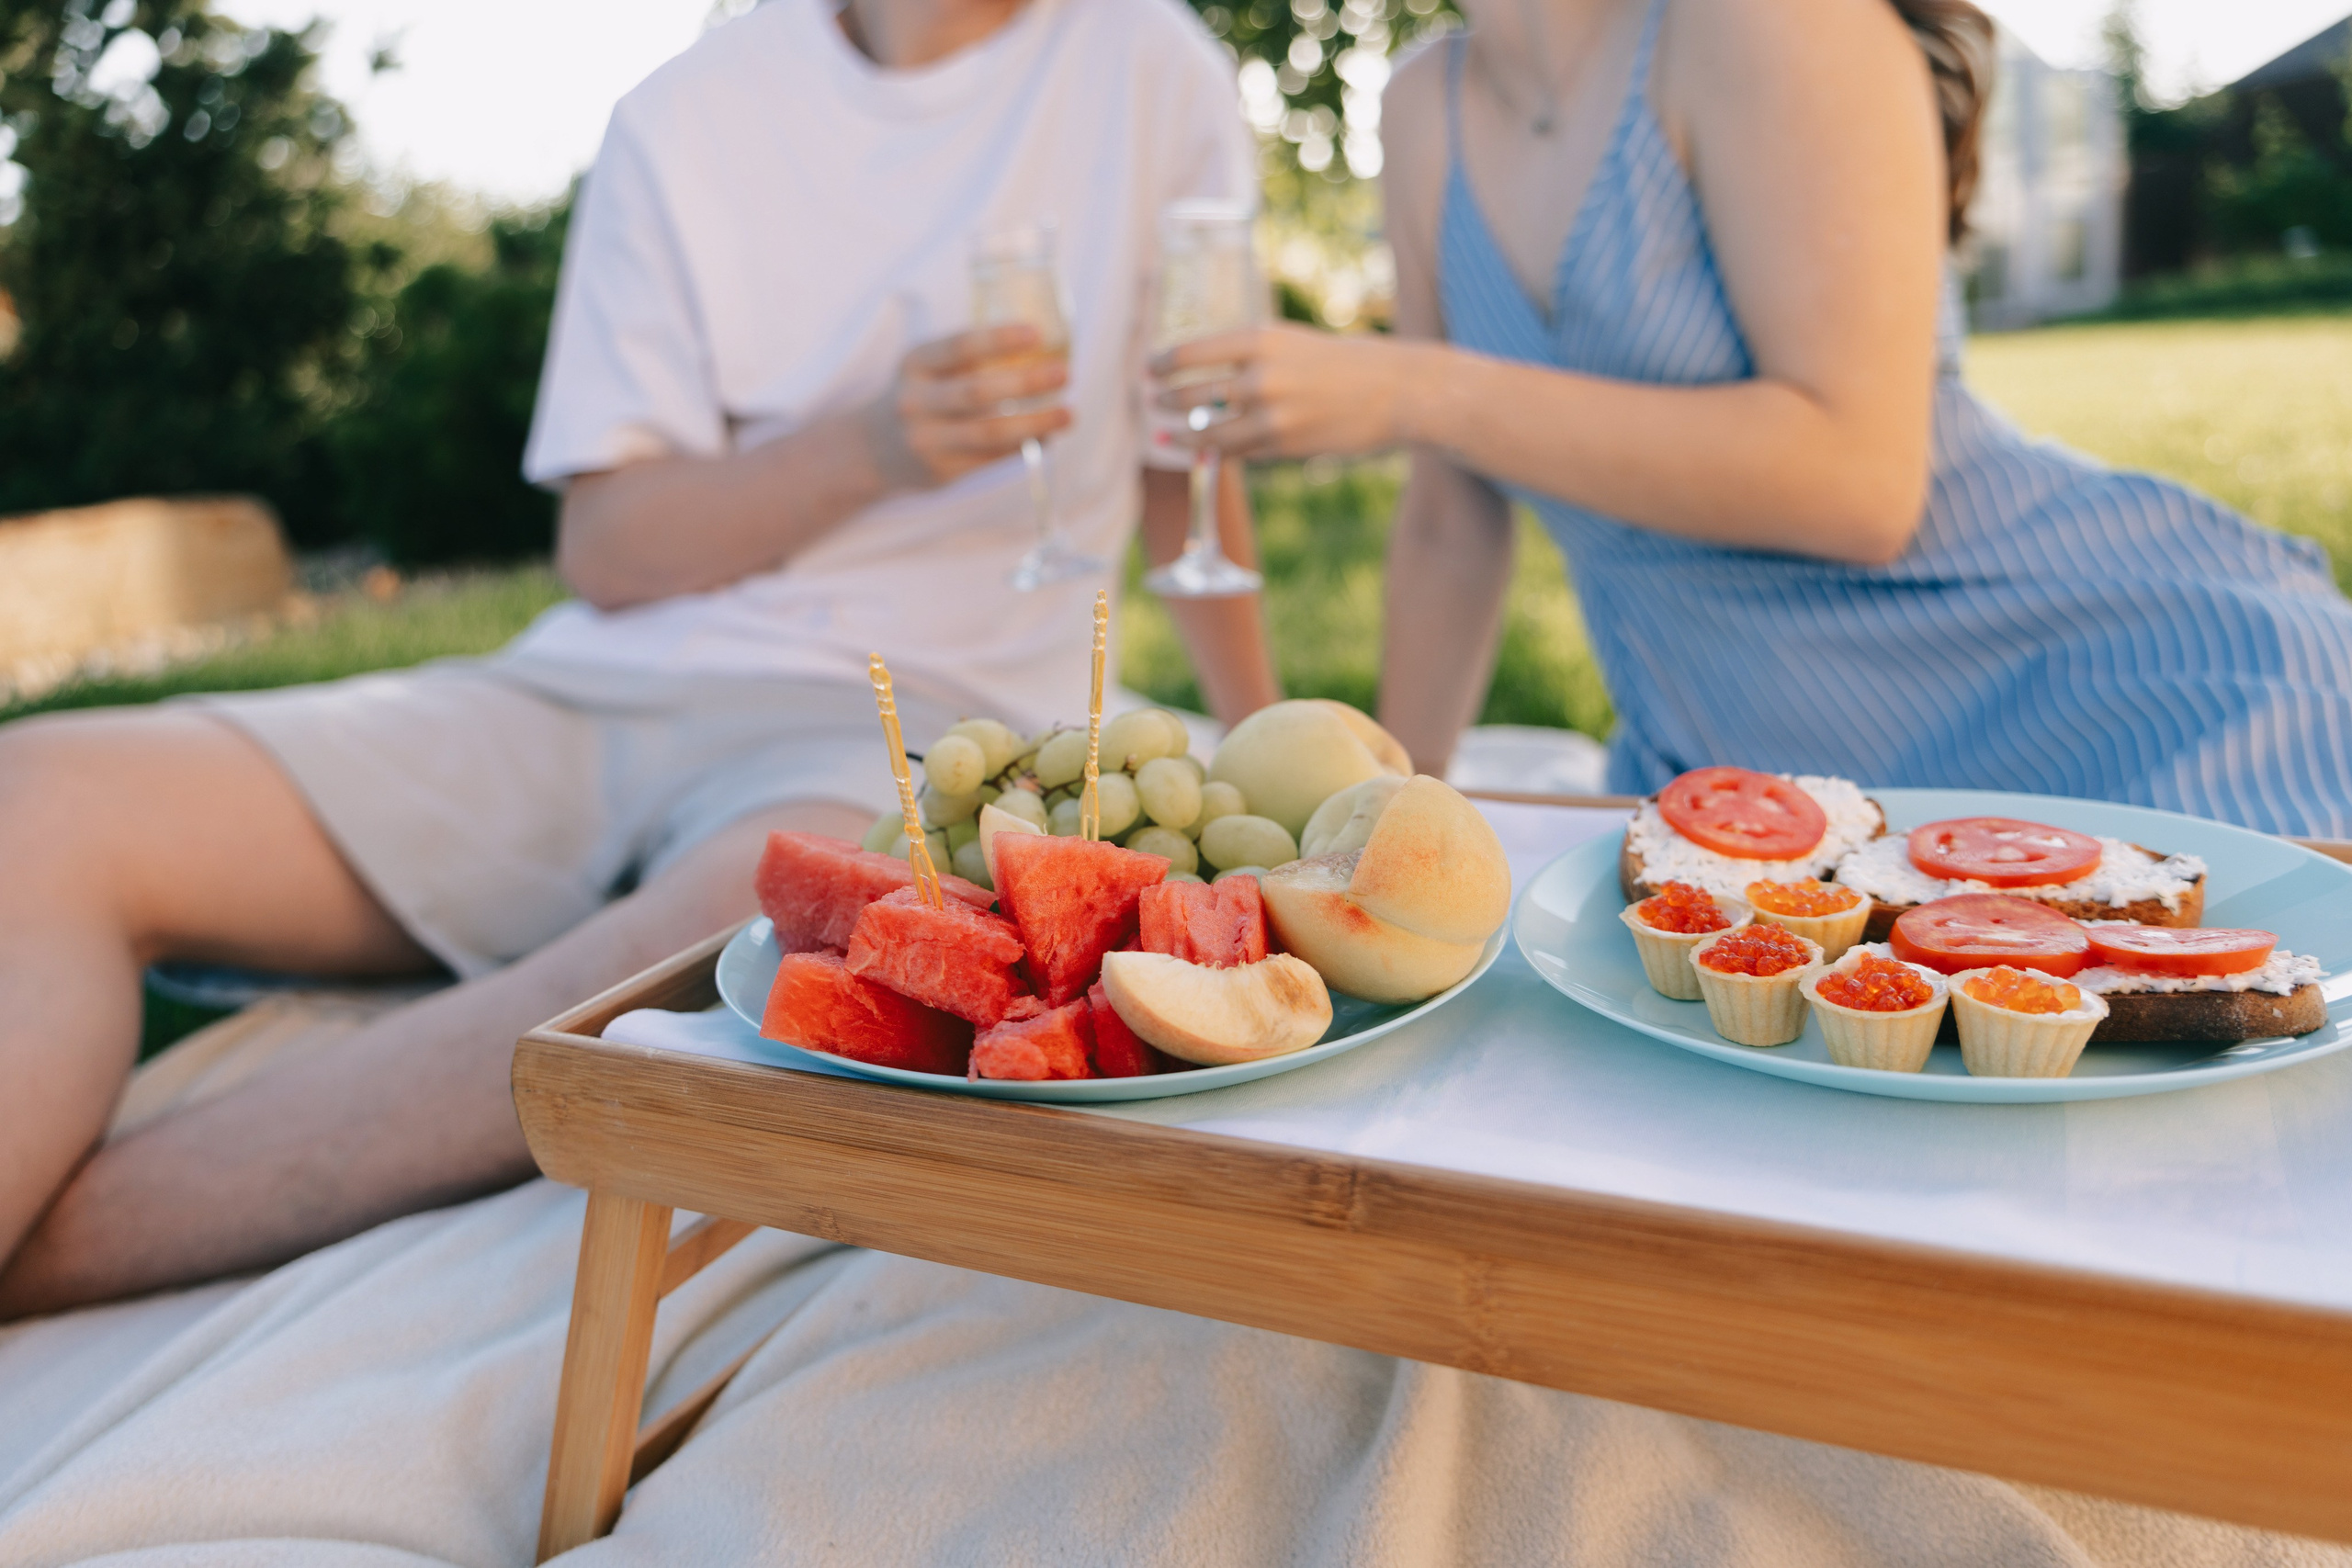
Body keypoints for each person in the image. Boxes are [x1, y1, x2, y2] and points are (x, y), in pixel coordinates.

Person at [0, 0, 1277, 1319]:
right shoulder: (687, 113)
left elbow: (1194, 472)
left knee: (782, 915)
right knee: (41, 798)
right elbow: (608, 545)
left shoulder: (1146, 66)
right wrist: (875, 448)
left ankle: (50, 1255)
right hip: (597, 690)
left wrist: (1271, 753)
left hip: (911, 717)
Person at [1156, 0, 2352, 839]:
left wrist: (1416, 387)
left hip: (2101, 699)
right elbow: (1452, 517)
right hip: (1726, 770)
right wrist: (1373, 833)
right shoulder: (1424, 99)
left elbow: (1859, 485)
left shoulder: (1763, 18)